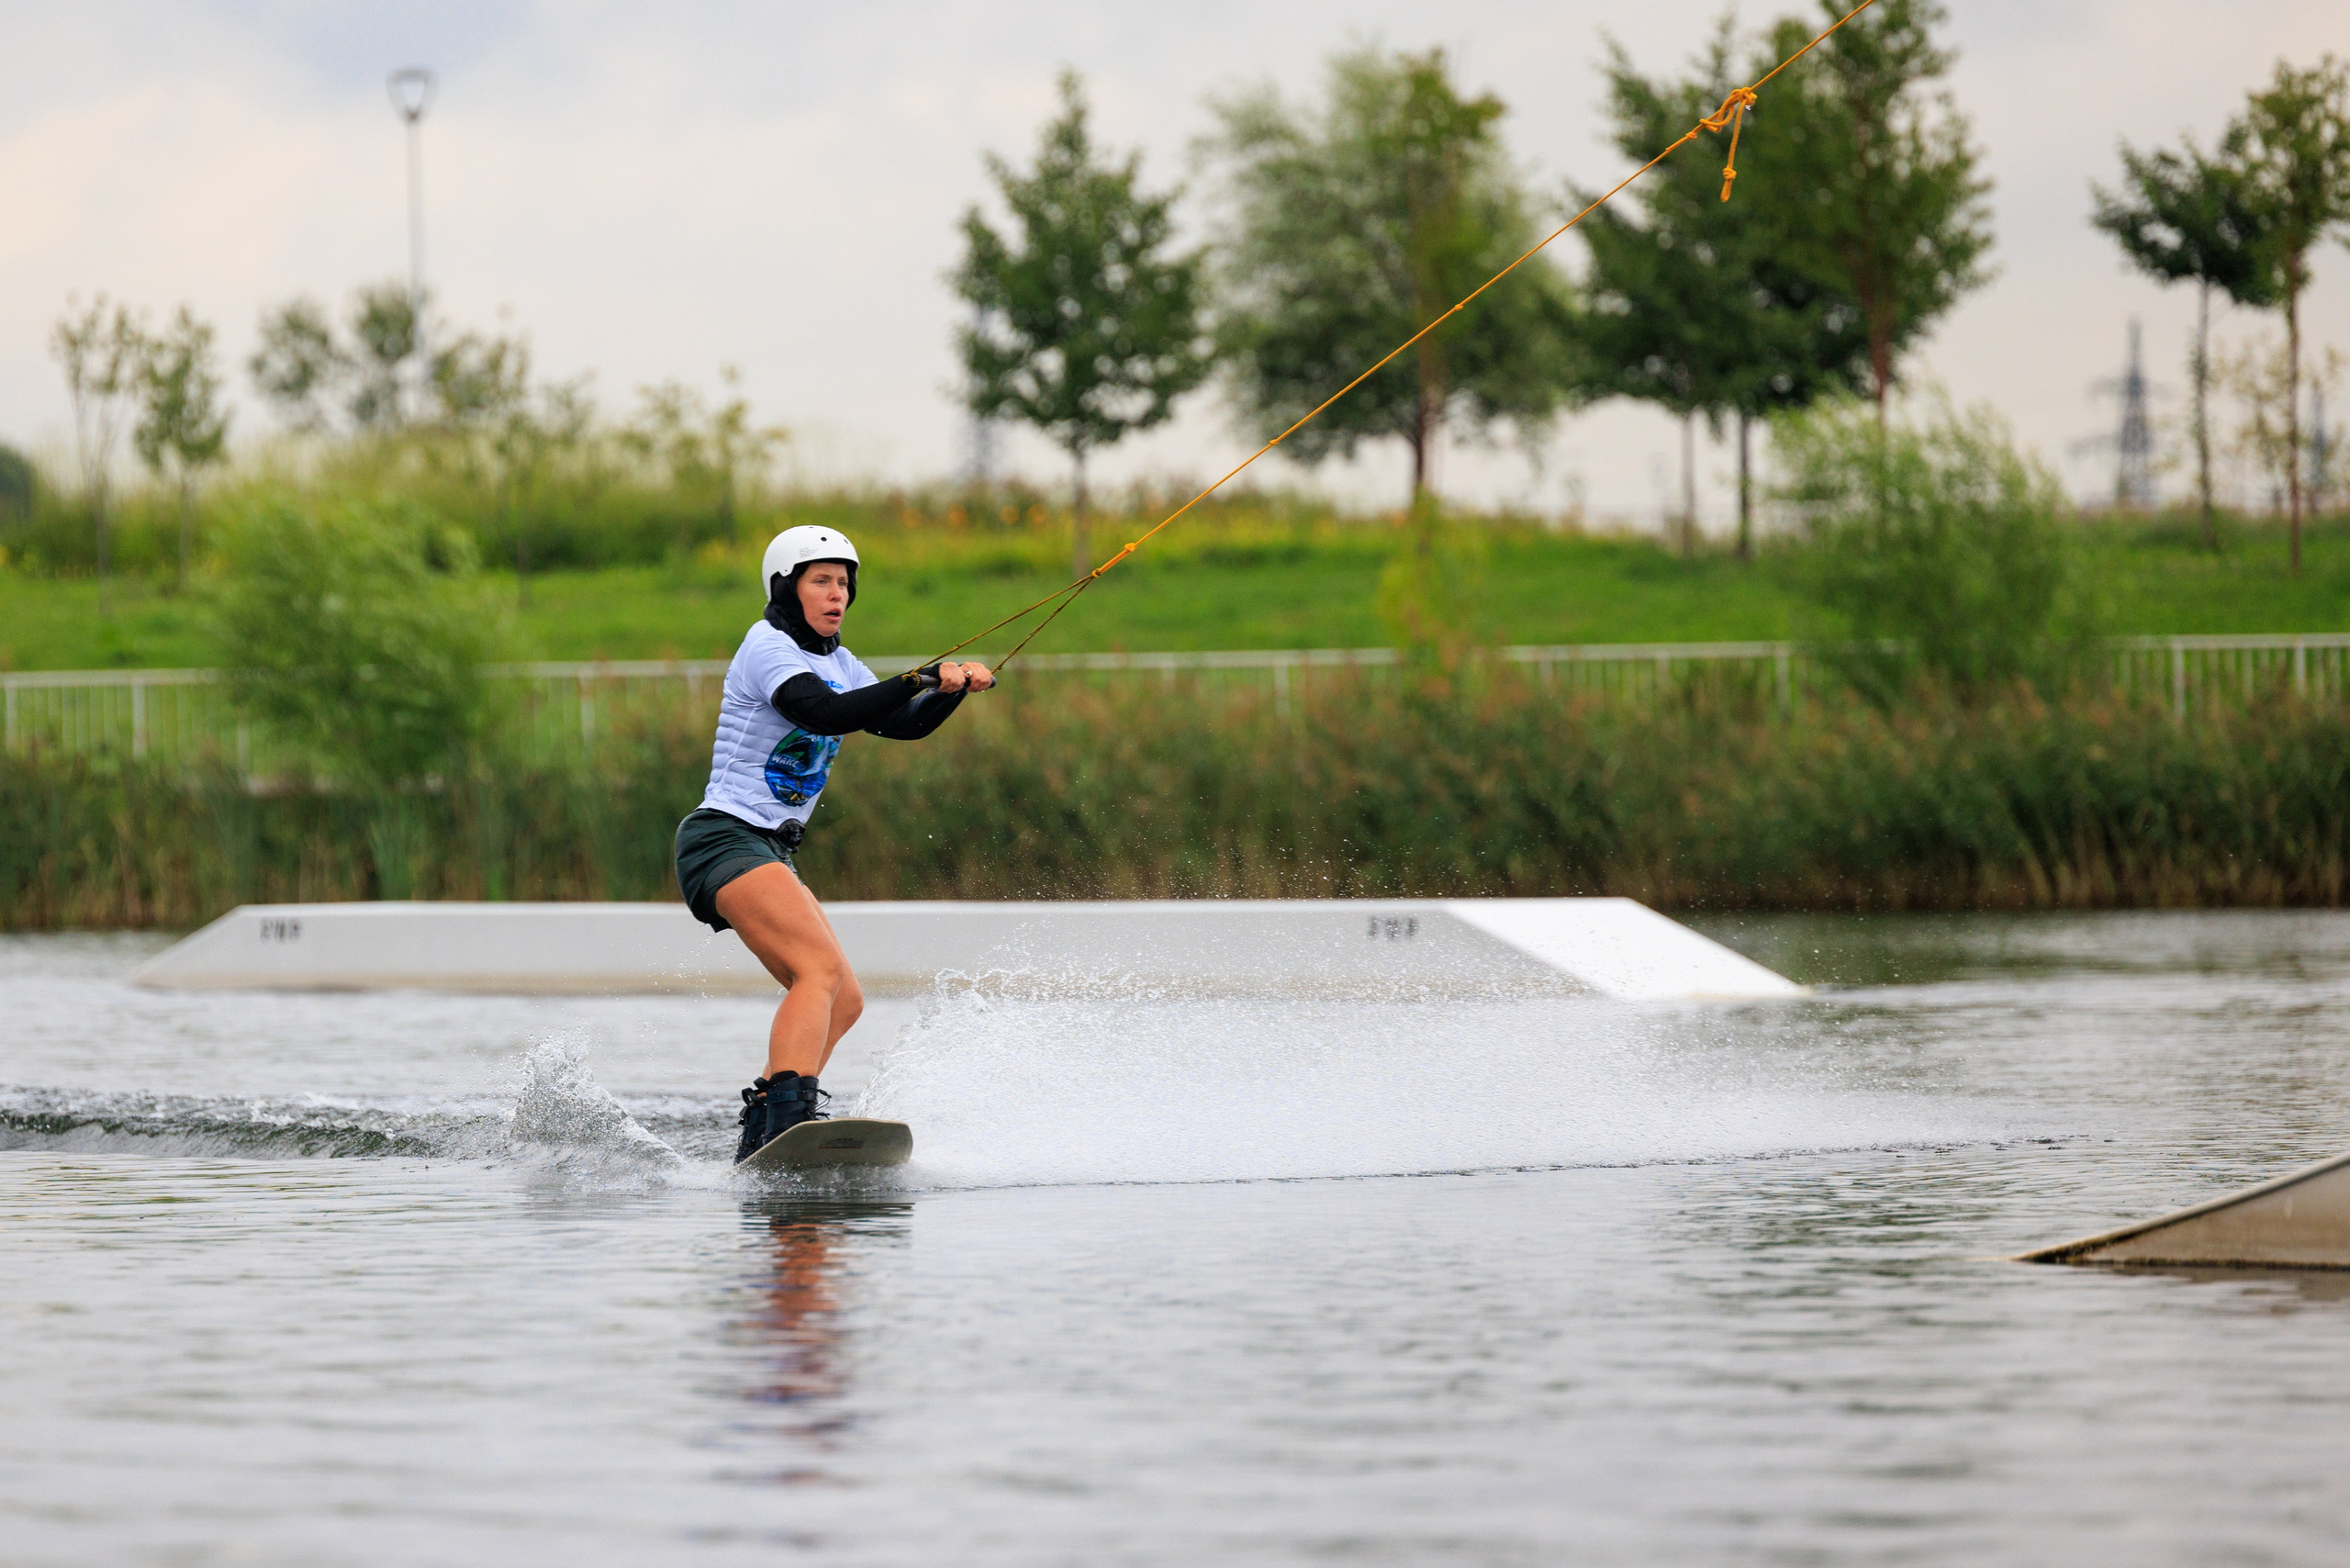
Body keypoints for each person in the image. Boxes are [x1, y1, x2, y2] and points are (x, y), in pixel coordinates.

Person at [674, 526, 993, 1163]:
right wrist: (918, 677)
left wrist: (946, 693)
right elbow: (820, 712)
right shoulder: (767, 647)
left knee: (844, 999)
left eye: (844, 583)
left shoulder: (841, 662)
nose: (837, 594)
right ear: (786, 588)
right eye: (821, 580)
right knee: (815, 973)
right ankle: (791, 1116)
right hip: (723, 838)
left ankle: (764, 1127)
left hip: (768, 848)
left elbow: (897, 724)